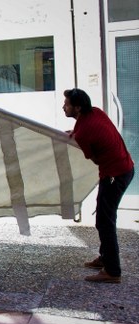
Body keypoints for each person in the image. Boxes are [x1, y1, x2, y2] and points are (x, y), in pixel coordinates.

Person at [63, 88, 135, 284]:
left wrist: (79, 136)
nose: (64, 107)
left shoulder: (85, 132)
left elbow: (94, 159)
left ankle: (112, 271)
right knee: (103, 216)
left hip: (114, 175)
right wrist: (76, 133)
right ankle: (105, 258)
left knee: (105, 221)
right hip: (125, 168)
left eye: (67, 104)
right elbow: (88, 130)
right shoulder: (95, 112)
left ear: (77, 107)